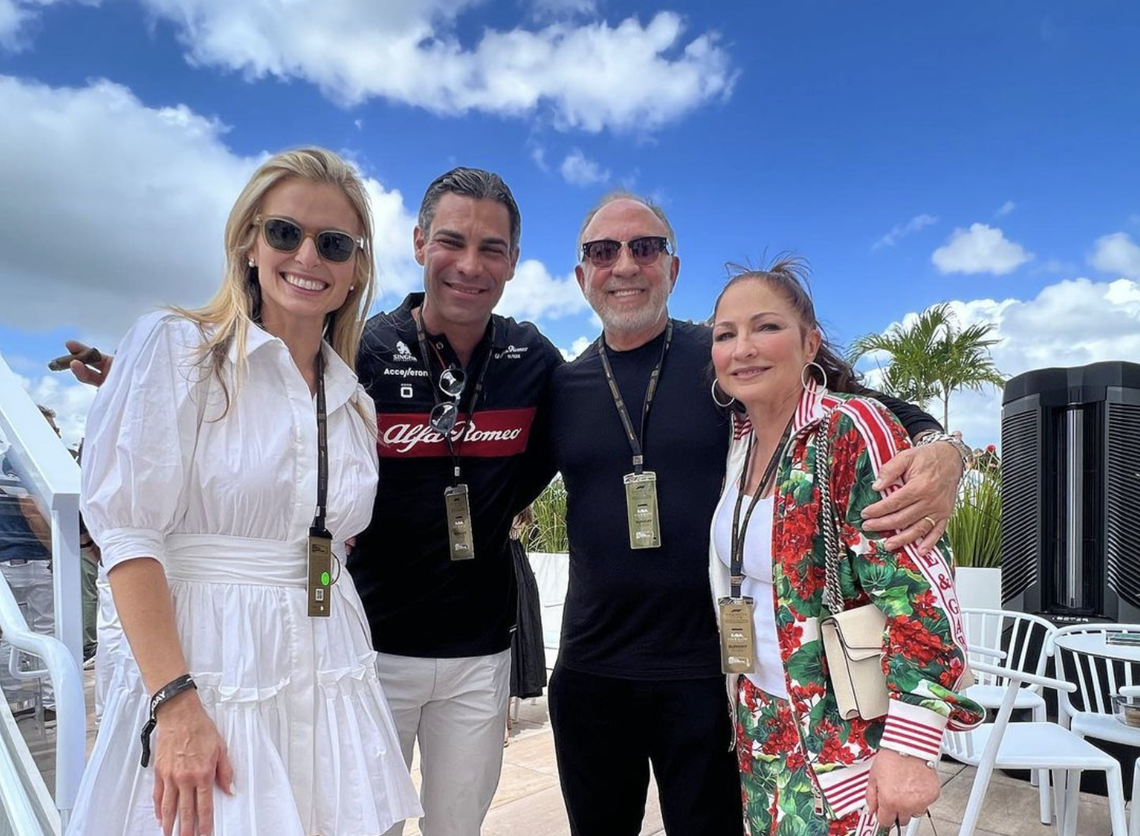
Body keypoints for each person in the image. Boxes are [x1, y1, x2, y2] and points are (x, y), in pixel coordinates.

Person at [544, 194, 971, 836]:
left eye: (645, 247)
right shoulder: (563, 385)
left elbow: (862, 405)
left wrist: (947, 448)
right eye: (603, 252)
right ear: (581, 276)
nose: (625, 265)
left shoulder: (720, 360)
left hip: (709, 678)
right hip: (609, 675)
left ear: (673, 268)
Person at [68, 147, 420, 836]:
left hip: (329, 653)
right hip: (212, 657)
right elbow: (130, 533)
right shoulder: (177, 351)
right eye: (285, 232)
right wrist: (174, 702)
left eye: (334, 243)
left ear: (356, 271)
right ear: (248, 243)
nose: (309, 257)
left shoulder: (350, 400)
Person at [707, 259, 984, 834]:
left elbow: (922, 596)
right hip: (760, 722)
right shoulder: (740, 442)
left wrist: (911, 746)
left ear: (810, 343)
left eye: (766, 327)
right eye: (725, 335)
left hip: (838, 732)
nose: (744, 348)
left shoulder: (850, 428)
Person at [348, 168, 562, 836]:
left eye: (491, 248)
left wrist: (899, 429)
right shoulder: (364, 351)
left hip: (479, 657)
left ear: (514, 262)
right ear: (418, 243)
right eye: (452, 242)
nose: (471, 265)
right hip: (368, 653)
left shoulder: (533, 358)